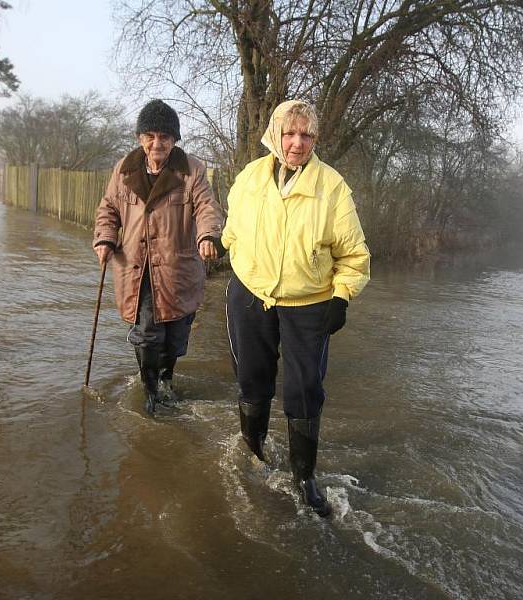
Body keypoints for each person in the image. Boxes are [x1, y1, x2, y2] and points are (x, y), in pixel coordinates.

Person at [221, 100, 370, 517]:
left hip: (309, 304)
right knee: (252, 380)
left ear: (315, 140)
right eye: (289, 133)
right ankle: (255, 453)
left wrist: (341, 296)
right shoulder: (250, 177)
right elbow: (232, 231)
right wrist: (228, 251)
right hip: (250, 295)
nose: (297, 143)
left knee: (304, 391)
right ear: (275, 135)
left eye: (306, 135)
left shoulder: (332, 187)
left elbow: (355, 256)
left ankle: (304, 476)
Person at [93, 99, 224, 416]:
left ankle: (166, 378)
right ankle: (151, 393)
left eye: (164, 137)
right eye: (150, 136)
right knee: (148, 333)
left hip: (177, 269)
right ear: (140, 138)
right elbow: (108, 210)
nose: (156, 143)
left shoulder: (192, 170)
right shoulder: (124, 168)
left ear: (174, 139)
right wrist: (105, 239)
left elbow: (207, 207)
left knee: (176, 336)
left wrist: (208, 235)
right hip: (138, 270)